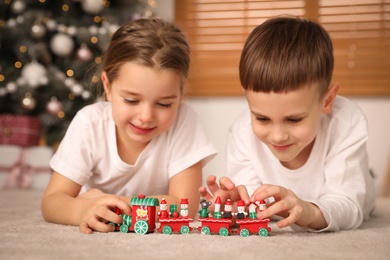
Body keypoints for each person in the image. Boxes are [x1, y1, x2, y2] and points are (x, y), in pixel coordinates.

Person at [199, 16, 375, 232]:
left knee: (361, 187)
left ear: (327, 101)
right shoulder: (241, 131)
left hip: (356, 195)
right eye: (262, 118)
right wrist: (236, 208)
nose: (278, 136)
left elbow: (348, 206)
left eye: (293, 119)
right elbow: (252, 199)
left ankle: (366, 174)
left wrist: (308, 211)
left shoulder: (346, 122)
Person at [41, 18, 217, 234]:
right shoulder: (89, 123)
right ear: (108, 86)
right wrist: (82, 210)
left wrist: (108, 203)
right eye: (132, 101)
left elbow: (185, 206)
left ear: (180, 95)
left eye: (164, 104)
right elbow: (52, 202)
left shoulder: (184, 121)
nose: (146, 116)